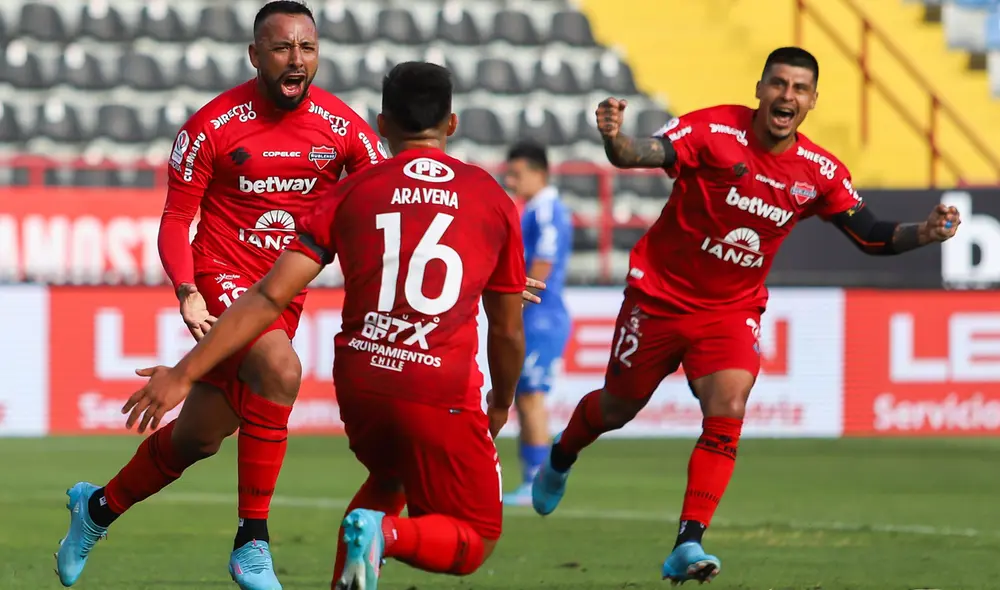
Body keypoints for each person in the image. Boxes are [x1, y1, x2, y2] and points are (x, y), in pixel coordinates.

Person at [530, 46, 962, 584]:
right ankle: (562, 455)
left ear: (812, 101)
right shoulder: (713, 130)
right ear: (759, 89)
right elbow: (643, 153)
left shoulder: (820, 172)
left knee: (729, 404)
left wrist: (925, 233)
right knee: (618, 407)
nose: (787, 96)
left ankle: (688, 542)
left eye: (799, 89)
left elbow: (871, 234)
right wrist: (615, 139)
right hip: (659, 296)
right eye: (778, 84)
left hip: (730, 311)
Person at [118, 61, 534, 590]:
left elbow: (269, 294)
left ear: (382, 125)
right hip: (439, 387)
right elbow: (506, 331)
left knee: (373, 475)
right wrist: (501, 399)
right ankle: (342, 536)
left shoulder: (353, 191)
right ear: (452, 123)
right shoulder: (489, 197)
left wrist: (182, 373)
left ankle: (102, 507)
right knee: (475, 537)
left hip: (362, 390)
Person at [55, 3, 388, 589]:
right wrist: (187, 291)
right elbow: (175, 219)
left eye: (307, 48)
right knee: (281, 370)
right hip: (222, 277)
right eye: (282, 48)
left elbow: (388, 199)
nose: (296, 60)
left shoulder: (343, 127)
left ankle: (96, 508)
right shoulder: (212, 125)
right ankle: (251, 541)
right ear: (255, 55)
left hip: (284, 292)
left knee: (198, 437)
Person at [501, 141, 573, 507]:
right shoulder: (534, 209)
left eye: (517, 174)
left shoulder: (545, 209)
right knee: (525, 396)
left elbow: (543, 260)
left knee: (530, 396)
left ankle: (537, 480)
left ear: (539, 173)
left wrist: (517, 299)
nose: (511, 182)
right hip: (535, 315)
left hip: (541, 315)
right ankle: (534, 476)